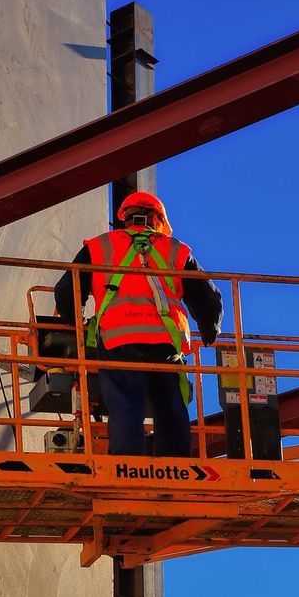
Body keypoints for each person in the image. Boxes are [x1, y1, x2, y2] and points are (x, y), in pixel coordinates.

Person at [53, 192, 222, 457]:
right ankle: (175, 467)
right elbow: (207, 298)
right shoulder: (175, 249)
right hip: (165, 346)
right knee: (170, 407)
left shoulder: (100, 246)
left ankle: (126, 465)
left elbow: (66, 290)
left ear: (126, 218)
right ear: (157, 220)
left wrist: (72, 323)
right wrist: (210, 330)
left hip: (118, 342)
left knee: (125, 406)